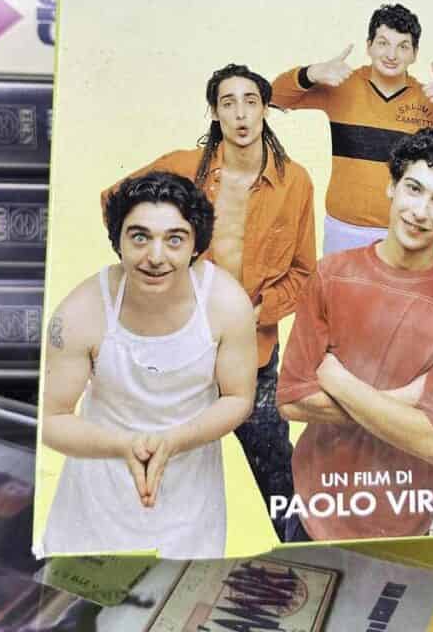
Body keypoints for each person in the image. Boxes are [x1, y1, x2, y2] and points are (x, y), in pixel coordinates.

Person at [100, 63, 315, 538]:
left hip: (252, 356)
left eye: (250, 102)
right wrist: (153, 277)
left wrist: (257, 313)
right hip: (180, 353)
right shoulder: (183, 168)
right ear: (214, 113)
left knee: (280, 477)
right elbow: (115, 202)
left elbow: (303, 273)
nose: (240, 114)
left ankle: (310, 557)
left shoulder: (294, 181)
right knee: (163, 468)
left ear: (265, 109)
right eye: (227, 103)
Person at [276, 128, 433, 542]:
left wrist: (337, 380)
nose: (420, 212)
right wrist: (405, 401)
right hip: (315, 508)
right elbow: (291, 400)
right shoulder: (331, 274)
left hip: (402, 522)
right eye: (414, 189)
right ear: (391, 186)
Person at [41, 172, 257, 559]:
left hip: (191, 497)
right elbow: (53, 420)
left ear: (195, 244)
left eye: (174, 239)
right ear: (118, 241)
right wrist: (123, 446)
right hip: (95, 498)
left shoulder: (226, 303)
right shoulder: (80, 312)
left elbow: (239, 397)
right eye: (140, 237)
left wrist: (175, 440)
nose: (155, 257)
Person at [271, 3, 433, 254]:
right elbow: (274, 97)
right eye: (383, 43)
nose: (391, 55)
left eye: (403, 46)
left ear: (415, 54)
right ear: (369, 46)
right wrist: (310, 74)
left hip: (404, 230)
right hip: (343, 229)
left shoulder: (430, 98)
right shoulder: (341, 85)